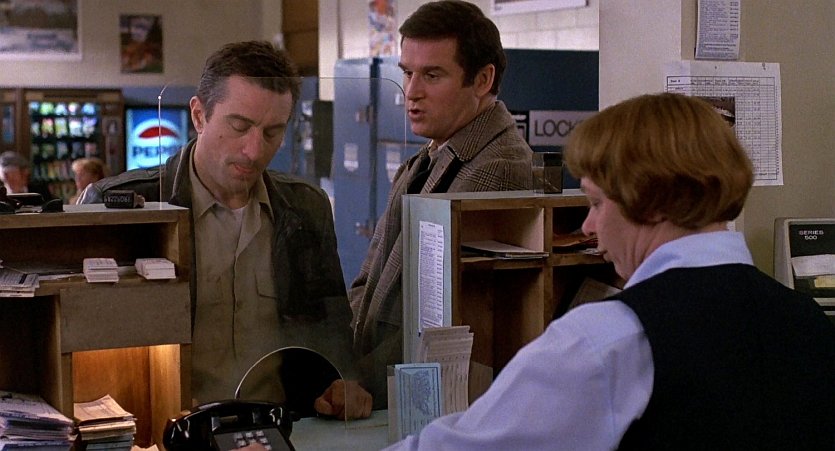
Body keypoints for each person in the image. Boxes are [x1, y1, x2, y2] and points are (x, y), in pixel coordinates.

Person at [384, 93, 835, 450]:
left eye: (597, 203)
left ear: (653, 202)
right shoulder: (809, 324)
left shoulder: (607, 340)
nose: (588, 226)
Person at [79, 40, 371, 420]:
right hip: (166, 428)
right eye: (239, 126)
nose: (254, 150)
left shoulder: (305, 209)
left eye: (272, 133)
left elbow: (329, 330)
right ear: (199, 116)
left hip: (280, 426)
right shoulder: (123, 206)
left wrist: (341, 385)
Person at [349, 0, 533, 405]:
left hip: (418, 399)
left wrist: (361, 383)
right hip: (375, 387)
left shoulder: (496, 169)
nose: (411, 93)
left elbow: (443, 322)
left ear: (482, 79)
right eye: (407, 73)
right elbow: (370, 280)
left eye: (432, 75)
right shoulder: (427, 158)